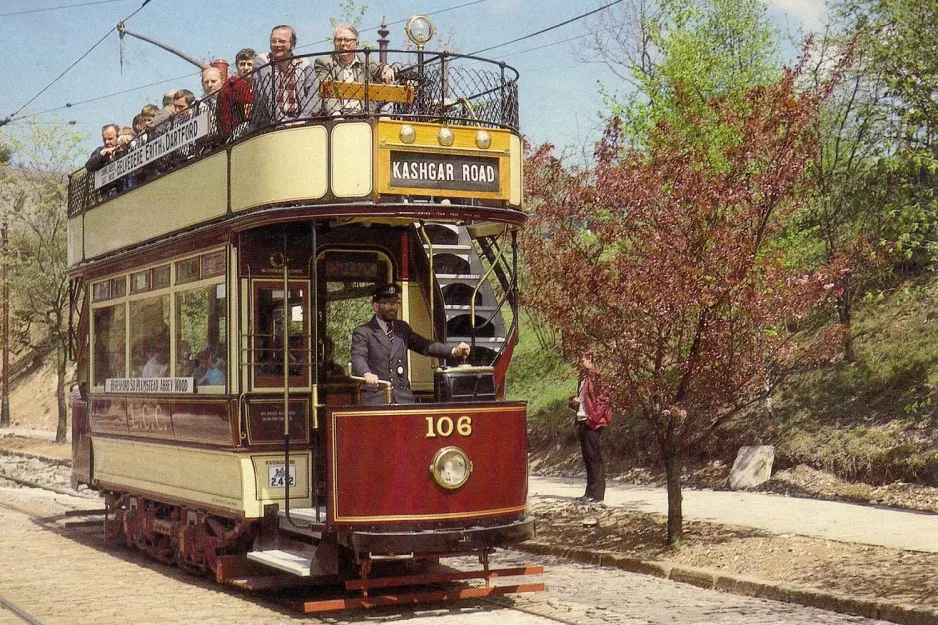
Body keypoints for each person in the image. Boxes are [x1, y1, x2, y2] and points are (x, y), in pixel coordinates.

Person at [351, 283, 470, 405]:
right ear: (376, 306)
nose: (393, 307)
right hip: (376, 399)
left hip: (403, 399)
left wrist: (454, 351)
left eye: (395, 303)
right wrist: (367, 374)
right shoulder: (364, 331)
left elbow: (424, 345)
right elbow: (358, 357)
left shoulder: (402, 328)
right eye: (388, 303)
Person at [315, 24, 395, 116]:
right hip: (339, 116)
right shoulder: (323, 62)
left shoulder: (366, 60)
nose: (342, 43)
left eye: (347, 40)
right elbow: (327, 92)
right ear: (334, 43)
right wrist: (336, 116)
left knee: (390, 80)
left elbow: (381, 68)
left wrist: (387, 68)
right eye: (339, 40)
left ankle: (385, 117)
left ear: (356, 44)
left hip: (365, 116)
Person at [251, 25, 321, 127]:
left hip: (299, 120)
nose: (277, 45)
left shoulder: (303, 63)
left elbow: (315, 93)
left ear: (292, 45)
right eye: (273, 41)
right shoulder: (262, 61)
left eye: (282, 41)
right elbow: (266, 95)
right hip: (269, 123)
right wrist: (281, 120)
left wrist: (303, 118)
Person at [569, 355, 612, 503]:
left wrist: (593, 417)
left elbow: (604, 399)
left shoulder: (597, 378)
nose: (580, 362)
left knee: (594, 457)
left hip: (591, 422)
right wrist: (574, 402)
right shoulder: (583, 378)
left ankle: (597, 494)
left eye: (582, 360)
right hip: (582, 420)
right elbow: (584, 400)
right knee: (588, 458)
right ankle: (589, 492)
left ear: (591, 360)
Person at [217, 48, 255, 138]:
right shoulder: (235, 82)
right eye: (242, 64)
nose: (246, 68)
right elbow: (249, 109)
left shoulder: (247, 83)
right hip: (235, 132)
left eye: (249, 64)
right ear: (237, 66)